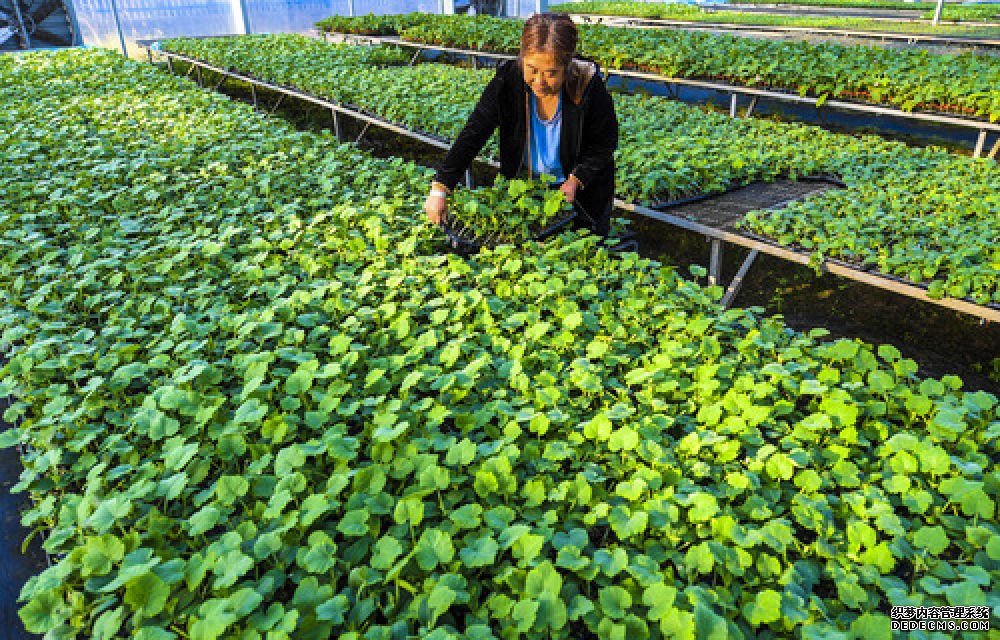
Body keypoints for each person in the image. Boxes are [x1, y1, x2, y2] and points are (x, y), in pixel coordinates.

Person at [424, 12, 618, 236]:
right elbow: (474, 132)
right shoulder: (509, 80)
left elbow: (604, 143)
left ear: (567, 66)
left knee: (579, 252)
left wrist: (576, 180)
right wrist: (440, 188)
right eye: (532, 69)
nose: (539, 82)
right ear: (522, 58)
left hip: (582, 197)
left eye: (551, 73)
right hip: (526, 191)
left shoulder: (586, 83)